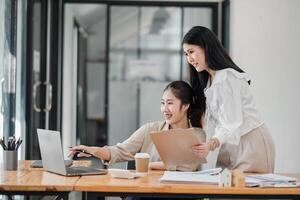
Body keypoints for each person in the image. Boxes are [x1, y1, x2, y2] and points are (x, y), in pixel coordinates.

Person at [182, 26, 275, 173]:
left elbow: (232, 122)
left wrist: (211, 144)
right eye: (186, 54)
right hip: (231, 144)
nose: (189, 59)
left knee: (246, 193)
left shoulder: (227, 78)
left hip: (250, 143)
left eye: (191, 52)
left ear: (206, 47)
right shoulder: (210, 80)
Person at [69, 80, 206, 171]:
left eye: (170, 103)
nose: (164, 109)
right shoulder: (151, 129)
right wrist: (91, 150)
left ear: (186, 106)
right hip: (147, 191)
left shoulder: (197, 134)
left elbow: (188, 166)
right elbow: (120, 151)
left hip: (178, 195)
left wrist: (145, 165)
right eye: (162, 103)